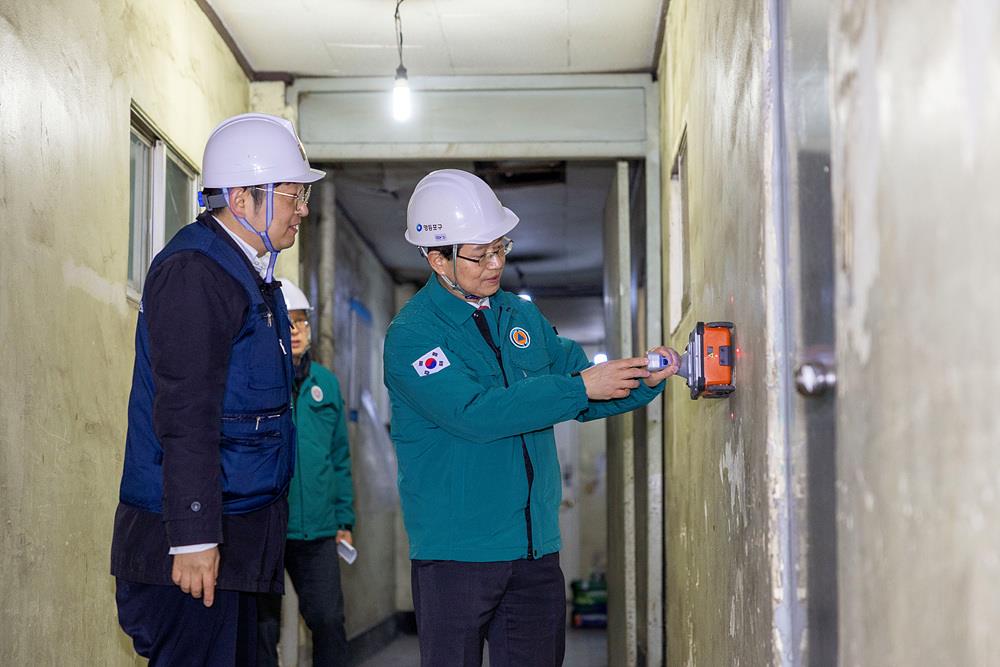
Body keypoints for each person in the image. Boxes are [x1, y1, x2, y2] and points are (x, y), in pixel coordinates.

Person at [382, 169, 681, 666]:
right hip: (457, 552)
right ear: (437, 258)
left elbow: (580, 385)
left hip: (533, 549)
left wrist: (641, 379)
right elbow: (475, 413)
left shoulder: (520, 317)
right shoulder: (413, 335)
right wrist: (579, 386)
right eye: (481, 254)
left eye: (501, 247)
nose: (496, 263)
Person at [111, 112, 324, 665]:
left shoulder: (248, 272)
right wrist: (194, 536)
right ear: (241, 198)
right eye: (294, 195)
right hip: (195, 545)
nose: (303, 210)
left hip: (237, 535)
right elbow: (186, 414)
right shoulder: (195, 272)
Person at [256, 280, 355, 667]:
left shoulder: (326, 384)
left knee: (328, 620)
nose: (295, 330)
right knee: (262, 628)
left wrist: (344, 520)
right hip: (266, 524)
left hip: (317, 528)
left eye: (302, 322)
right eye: (287, 321)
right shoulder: (258, 377)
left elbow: (340, 457)